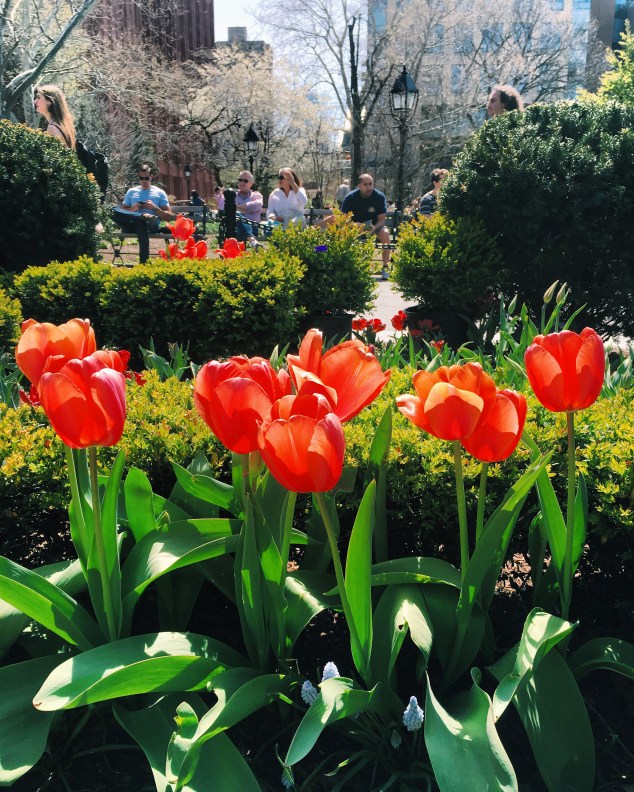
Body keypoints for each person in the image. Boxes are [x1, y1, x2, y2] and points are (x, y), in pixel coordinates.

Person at [113, 164, 173, 263]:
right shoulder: (131, 191)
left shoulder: (159, 192)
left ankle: (143, 263)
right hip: (131, 224)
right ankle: (143, 217)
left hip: (150, 225)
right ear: (138, 177)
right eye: (141, 178)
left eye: (146, 178)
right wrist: (134, 207)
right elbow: (122, 213)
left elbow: (168, 216)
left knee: (141, 223)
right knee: (112, 209)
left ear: (151, 177)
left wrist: (154, 208)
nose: (144, 181)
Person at [341, 173, 392, 279]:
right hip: (354, 230)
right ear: (359, 185)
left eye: (370, 184)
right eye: (365, 184)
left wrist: (374, 228)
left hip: (374, 228)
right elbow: (343, 219)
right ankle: (346, 268)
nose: (369, 187)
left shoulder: (379, 197)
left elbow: (382, 220)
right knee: (334, 241)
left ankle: (386, 267)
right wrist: (355, 225)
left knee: (386, 234)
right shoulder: (350, 197)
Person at [34, 85, 76, 150]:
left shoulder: (53, 127)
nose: (35, 101)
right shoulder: (62, 124)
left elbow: (56, 157)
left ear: (49, 101)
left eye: (38, 98)